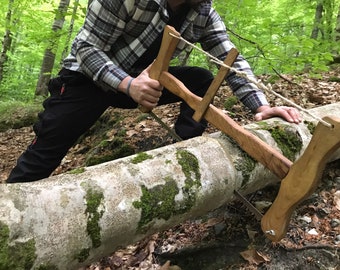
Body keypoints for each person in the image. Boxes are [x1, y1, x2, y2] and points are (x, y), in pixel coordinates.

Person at [6, 0, 301, 183]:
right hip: (86, 80)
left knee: (201, 79)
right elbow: (85, 47)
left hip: (141, 83)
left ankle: (182, 153)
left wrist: (260, 106)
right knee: (47, 149)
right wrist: (128, 84)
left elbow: (230, 59)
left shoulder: (202, 12)